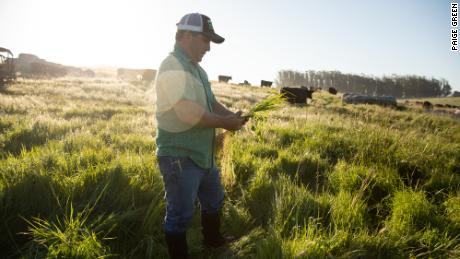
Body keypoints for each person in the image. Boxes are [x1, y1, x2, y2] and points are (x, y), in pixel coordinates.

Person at [154, 13, 246, 258]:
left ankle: (213, 242)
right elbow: (186, 113)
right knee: (181, 212)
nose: (208, 48)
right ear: (186, 35)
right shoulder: (172, 64)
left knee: (214, 199)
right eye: (205, 40)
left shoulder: (199, 71)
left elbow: (211, 103)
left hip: (204, 155)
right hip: (180, 156)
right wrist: (226, 123)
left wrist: (232, 117)